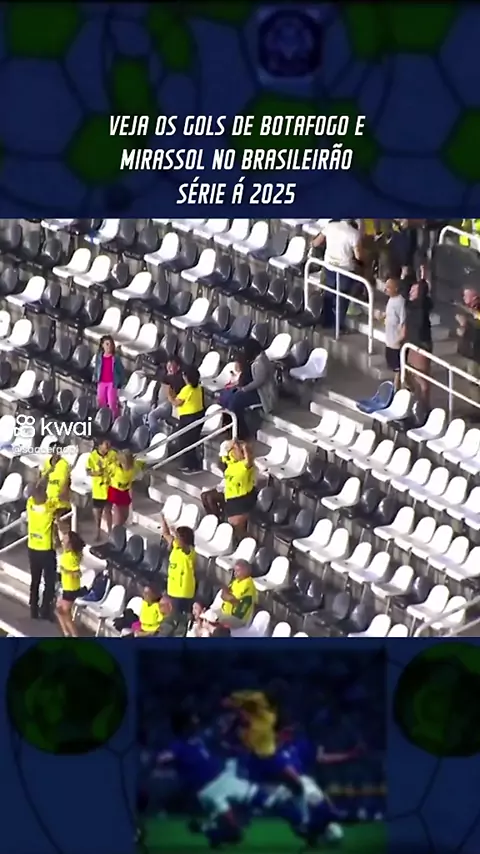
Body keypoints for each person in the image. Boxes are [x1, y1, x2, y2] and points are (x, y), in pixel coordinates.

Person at [311, 219, 363, 331]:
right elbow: (358, 255)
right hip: (345, 269)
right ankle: (338, 326)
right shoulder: (354, 233)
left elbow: (316, 242)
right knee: (342, 297)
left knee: (329, 293)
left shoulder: (330, 226)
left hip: (329, 266)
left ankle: (327, 321)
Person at [220, 341, 277, 441]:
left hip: (262, 395)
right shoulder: (257, 359)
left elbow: (258, 382)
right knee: (228, 395)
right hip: (255, 390)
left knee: (236, 402)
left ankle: (241, 432)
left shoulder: (261, 363)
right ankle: (230, 426)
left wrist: (244, 389)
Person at [202, 440, 256, 536]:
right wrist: (233, 445)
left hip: (242, 499)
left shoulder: (244, 465)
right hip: (231, 499)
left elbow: (249, 460)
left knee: (237, 529)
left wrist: (243, 447)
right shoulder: (230, 464)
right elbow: (223, 458)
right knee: (232, 528)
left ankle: (245, 541)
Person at [25, 483, 57, 620]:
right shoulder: (49, 509)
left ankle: (33, 608)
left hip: (32, 547)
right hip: (46, 549)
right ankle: (45, 610)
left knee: (35, 580)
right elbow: (59, 502)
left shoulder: (30, 505)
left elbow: (33, 494)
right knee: (49, 581)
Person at [167, 365, 205, 473]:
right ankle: (194, 465)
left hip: (188, 419)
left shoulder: (187, 389)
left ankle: (190, 466)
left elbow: (176, 403)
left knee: (185, 442)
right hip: (198, 416)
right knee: (191, 442)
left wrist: (169, 395)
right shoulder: (199, 387)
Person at [401, 280, 433, 403]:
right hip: (411, 343)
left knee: (421, 377)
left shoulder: (421, 306)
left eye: (414, 290)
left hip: (421, 345)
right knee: (410, 373)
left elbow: (423, 299)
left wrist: (423, 283)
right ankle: (415, 400)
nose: (410, 291)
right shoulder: (411, 305)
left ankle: (424, 404)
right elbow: (405, 291)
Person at [160, 516, 196, 611]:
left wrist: (175, 532)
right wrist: (163, 520)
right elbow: (166, 534)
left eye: (179, 537)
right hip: (172, 589)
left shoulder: (189, 551)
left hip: (183, 592)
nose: (177, 539)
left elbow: (184, 547)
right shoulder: (176, 546)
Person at [86, 439, 118, 540]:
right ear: (99, 445)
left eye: (109, 444)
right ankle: (97, 533)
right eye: (106, 444)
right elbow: (88, 471)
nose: (108, 446)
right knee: (97, 514)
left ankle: (110, 533)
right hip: (98, 490)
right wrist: (96, 473)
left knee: (108, 511)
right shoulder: (93, 456)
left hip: (109, 488)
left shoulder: (113, 454)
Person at [56, 528, 85, 637]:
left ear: (70, 544)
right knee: (59, 610)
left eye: (65, 539)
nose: (63, 540)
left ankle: (74, 635)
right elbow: (62, 532)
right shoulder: (67, 552)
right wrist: (58, 522)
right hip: (66, 587)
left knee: (65, 613)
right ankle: (66, 633)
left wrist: (65, 570)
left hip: (71, 589)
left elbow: (77, 573)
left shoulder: (72, 557)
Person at [107, 450, 144, 527]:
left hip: (125, 492)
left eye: (129, 464)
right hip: (114, 492)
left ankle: (120, 525)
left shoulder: (134, 467)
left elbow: (140, 474)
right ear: (120, 462)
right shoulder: (114, 468)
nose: (128, 466)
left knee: (125, 514)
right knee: (119, 516)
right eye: (125, 464)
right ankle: (116, 529)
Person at [148, 357, 184, 434]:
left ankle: (156, 437)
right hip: (157, 403)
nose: (169, 368)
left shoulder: (179, 379)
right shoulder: (164, 375)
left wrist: (165, 377)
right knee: (135, 410)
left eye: (172, 366)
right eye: (168, 365)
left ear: (178, 367)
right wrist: (153, 402)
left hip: (168, 405)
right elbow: (155, 390)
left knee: (152, 416)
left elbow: (175, 389)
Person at [217, 559, 257, 627]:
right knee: (208, 615)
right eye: (234, 570)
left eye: (237, 571)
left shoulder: (247, 584)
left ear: (245, 571)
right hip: (226, 613)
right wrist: (227, 594)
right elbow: (223, 594)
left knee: (216, 621)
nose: (235, 573)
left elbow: (233, 600)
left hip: (238, 618)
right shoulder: (236, 581)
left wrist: (227, 595)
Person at [382, 277, 406, 390]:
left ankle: (397, 391)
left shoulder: (400, 302)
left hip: (396, 342)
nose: (385, 289)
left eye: (388, 287)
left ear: (395, 288)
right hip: (389, 340)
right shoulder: (391, 300)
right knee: (394, 368)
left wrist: (400, 339)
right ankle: (406, 388)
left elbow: (403, 321)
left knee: (398, 370)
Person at [94, 335, 125, 418]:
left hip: (112, 383)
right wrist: (95, 378)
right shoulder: (99, 357)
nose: (109, 346)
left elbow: (121, 371)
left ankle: (114, 419)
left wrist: (121, 382)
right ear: (102, 345)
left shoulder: (115, 358)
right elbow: (97, 368)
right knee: (101, 401)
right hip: (102, 382)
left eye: (110, 344)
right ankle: (103, 418)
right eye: (107, 344)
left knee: (112, 402)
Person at [39, 446, 72, 524]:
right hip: (47, 501)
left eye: (57, 452)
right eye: (54, 452)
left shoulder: (64, 464)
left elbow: (68, 482)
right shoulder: (46, 463)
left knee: (59, 520)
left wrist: (64, 493)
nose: (56, 454)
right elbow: (41, 483)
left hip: (60, 503)